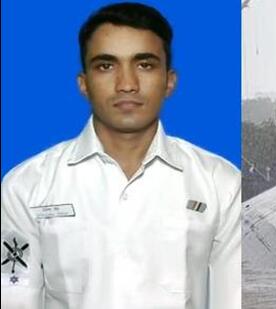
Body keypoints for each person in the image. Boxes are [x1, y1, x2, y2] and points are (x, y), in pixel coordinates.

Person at [0, 3, 241, 309]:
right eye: (106, 66)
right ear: (83, 83)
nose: (127, 84)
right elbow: (13, 295)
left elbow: (231, 297)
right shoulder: (26, 187)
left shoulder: (221, 183)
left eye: (145, 65)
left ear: (170, 81)